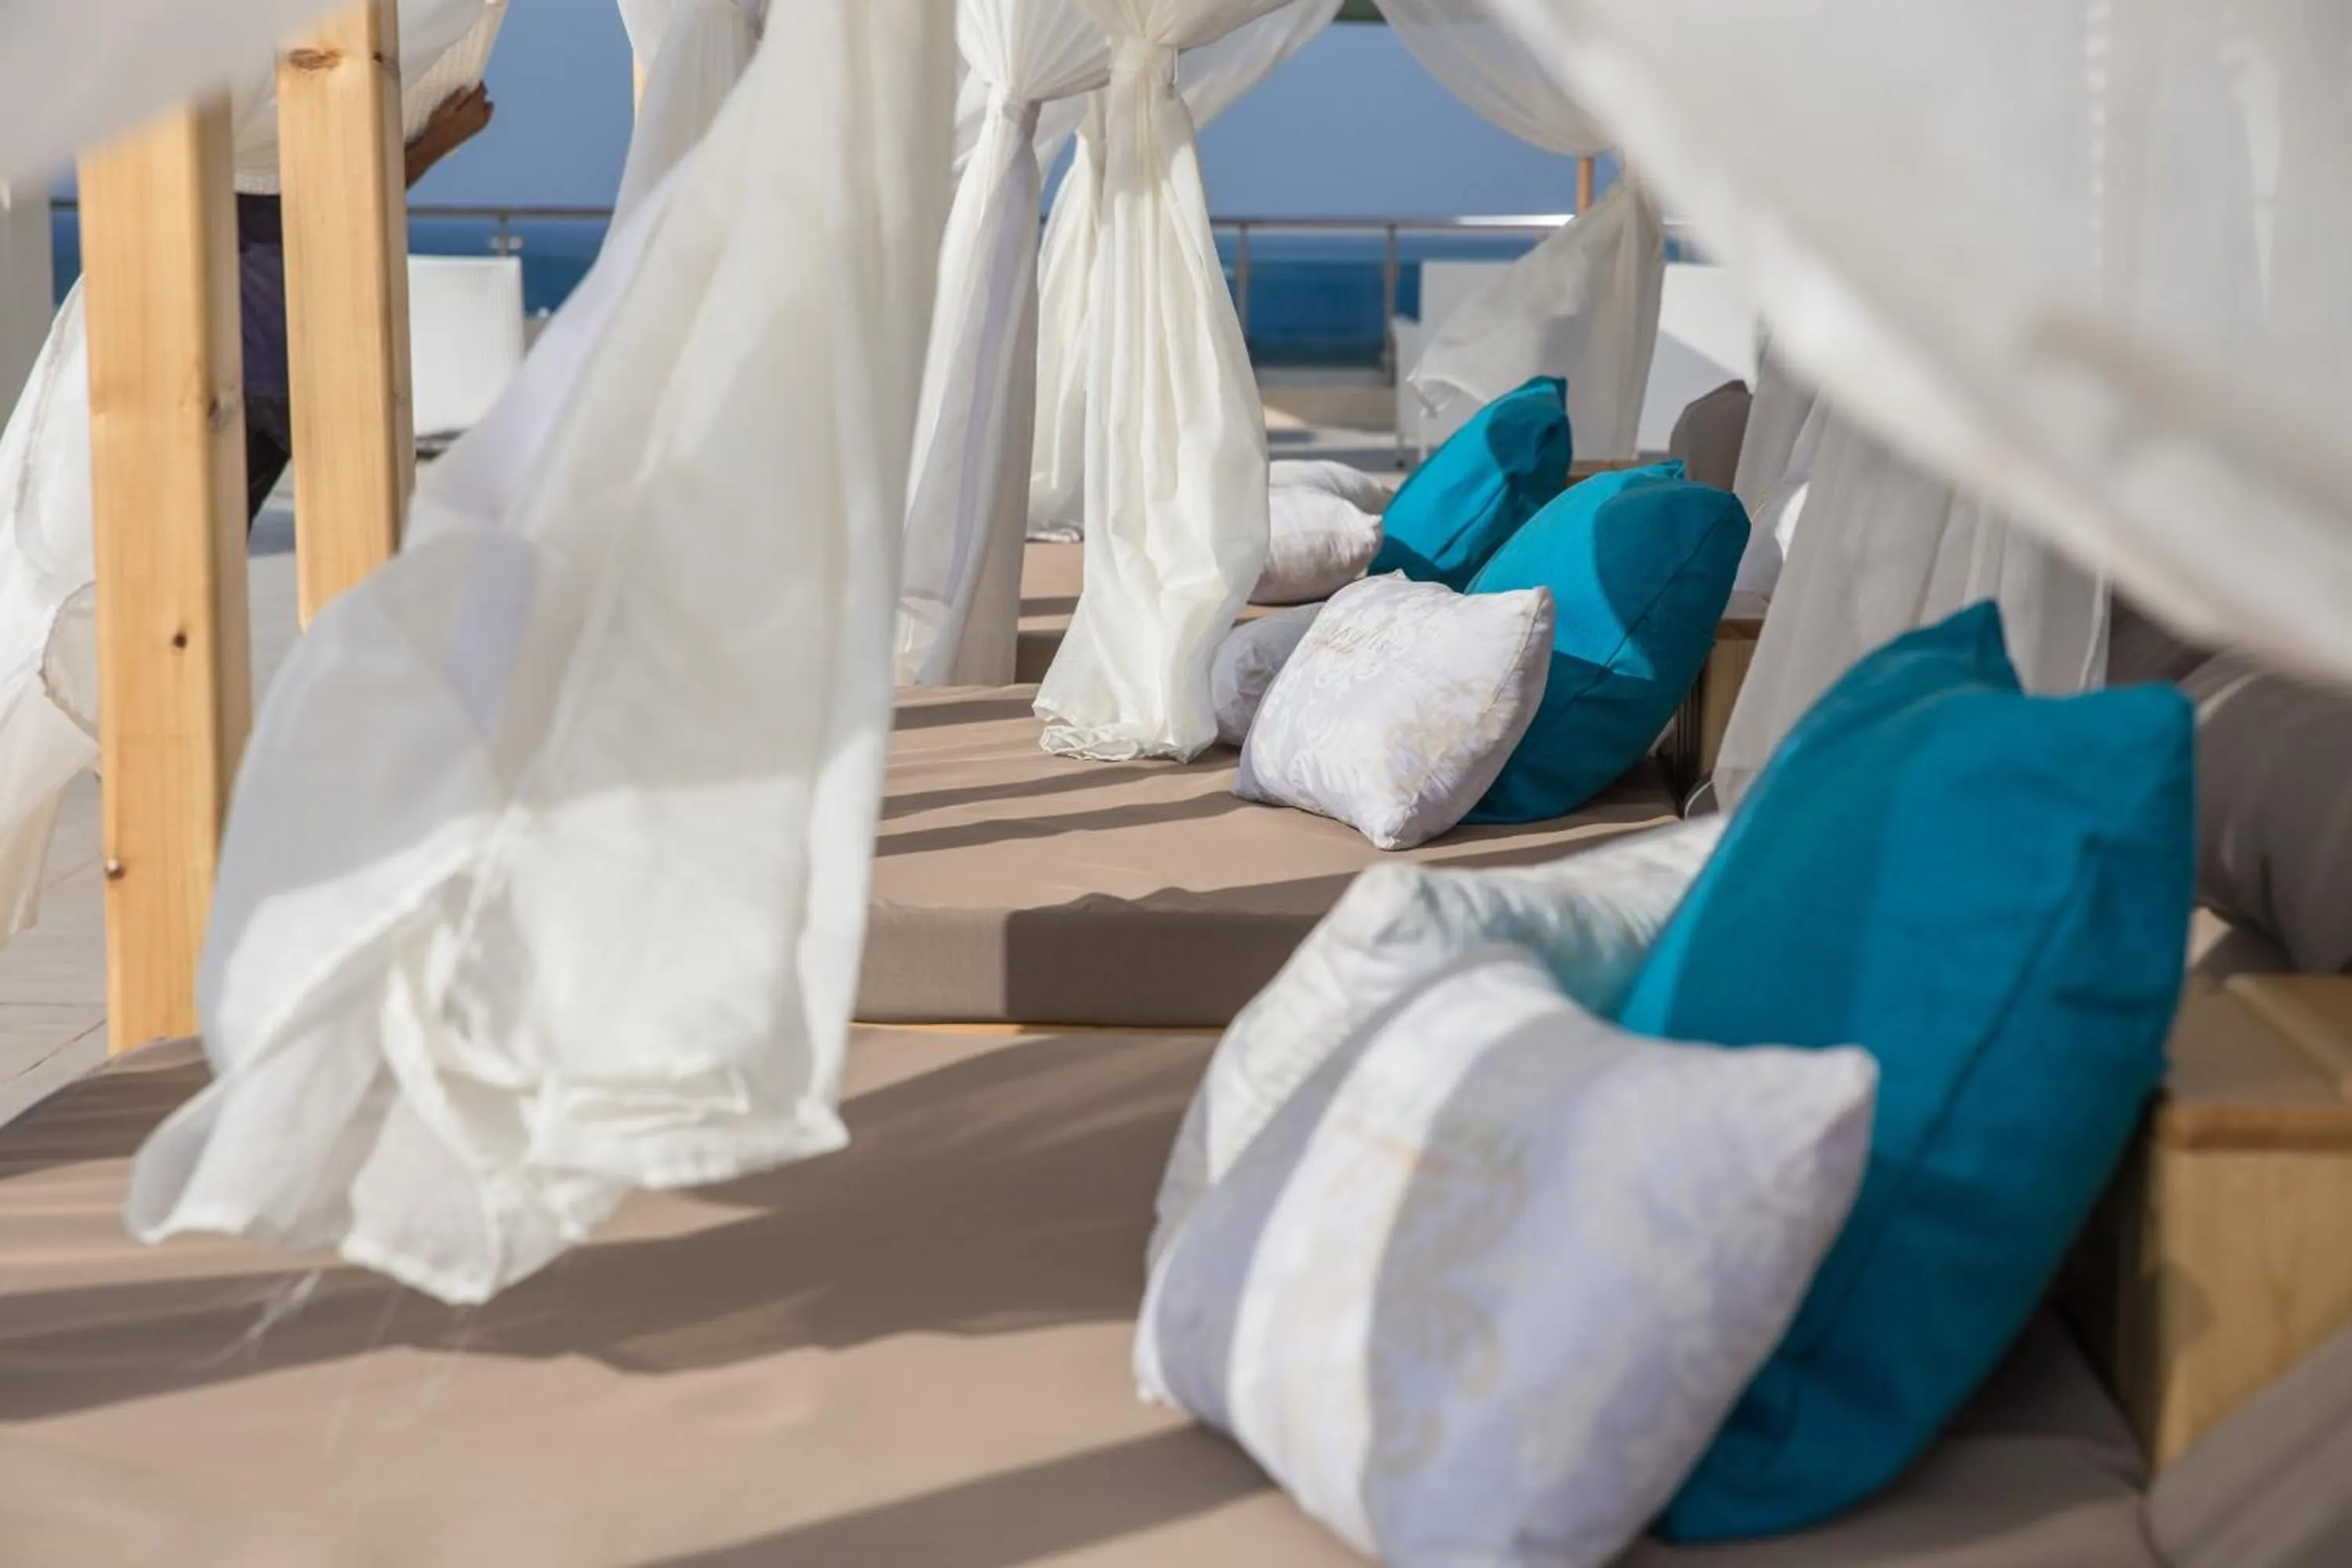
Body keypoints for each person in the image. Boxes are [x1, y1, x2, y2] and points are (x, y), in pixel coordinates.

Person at [240, 83, 496, 523]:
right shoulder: (258, 105)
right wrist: (436, 143)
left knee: (191, 564)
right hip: (300, 359)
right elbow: (345, 198)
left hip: (242, 357)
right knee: (369, 549)